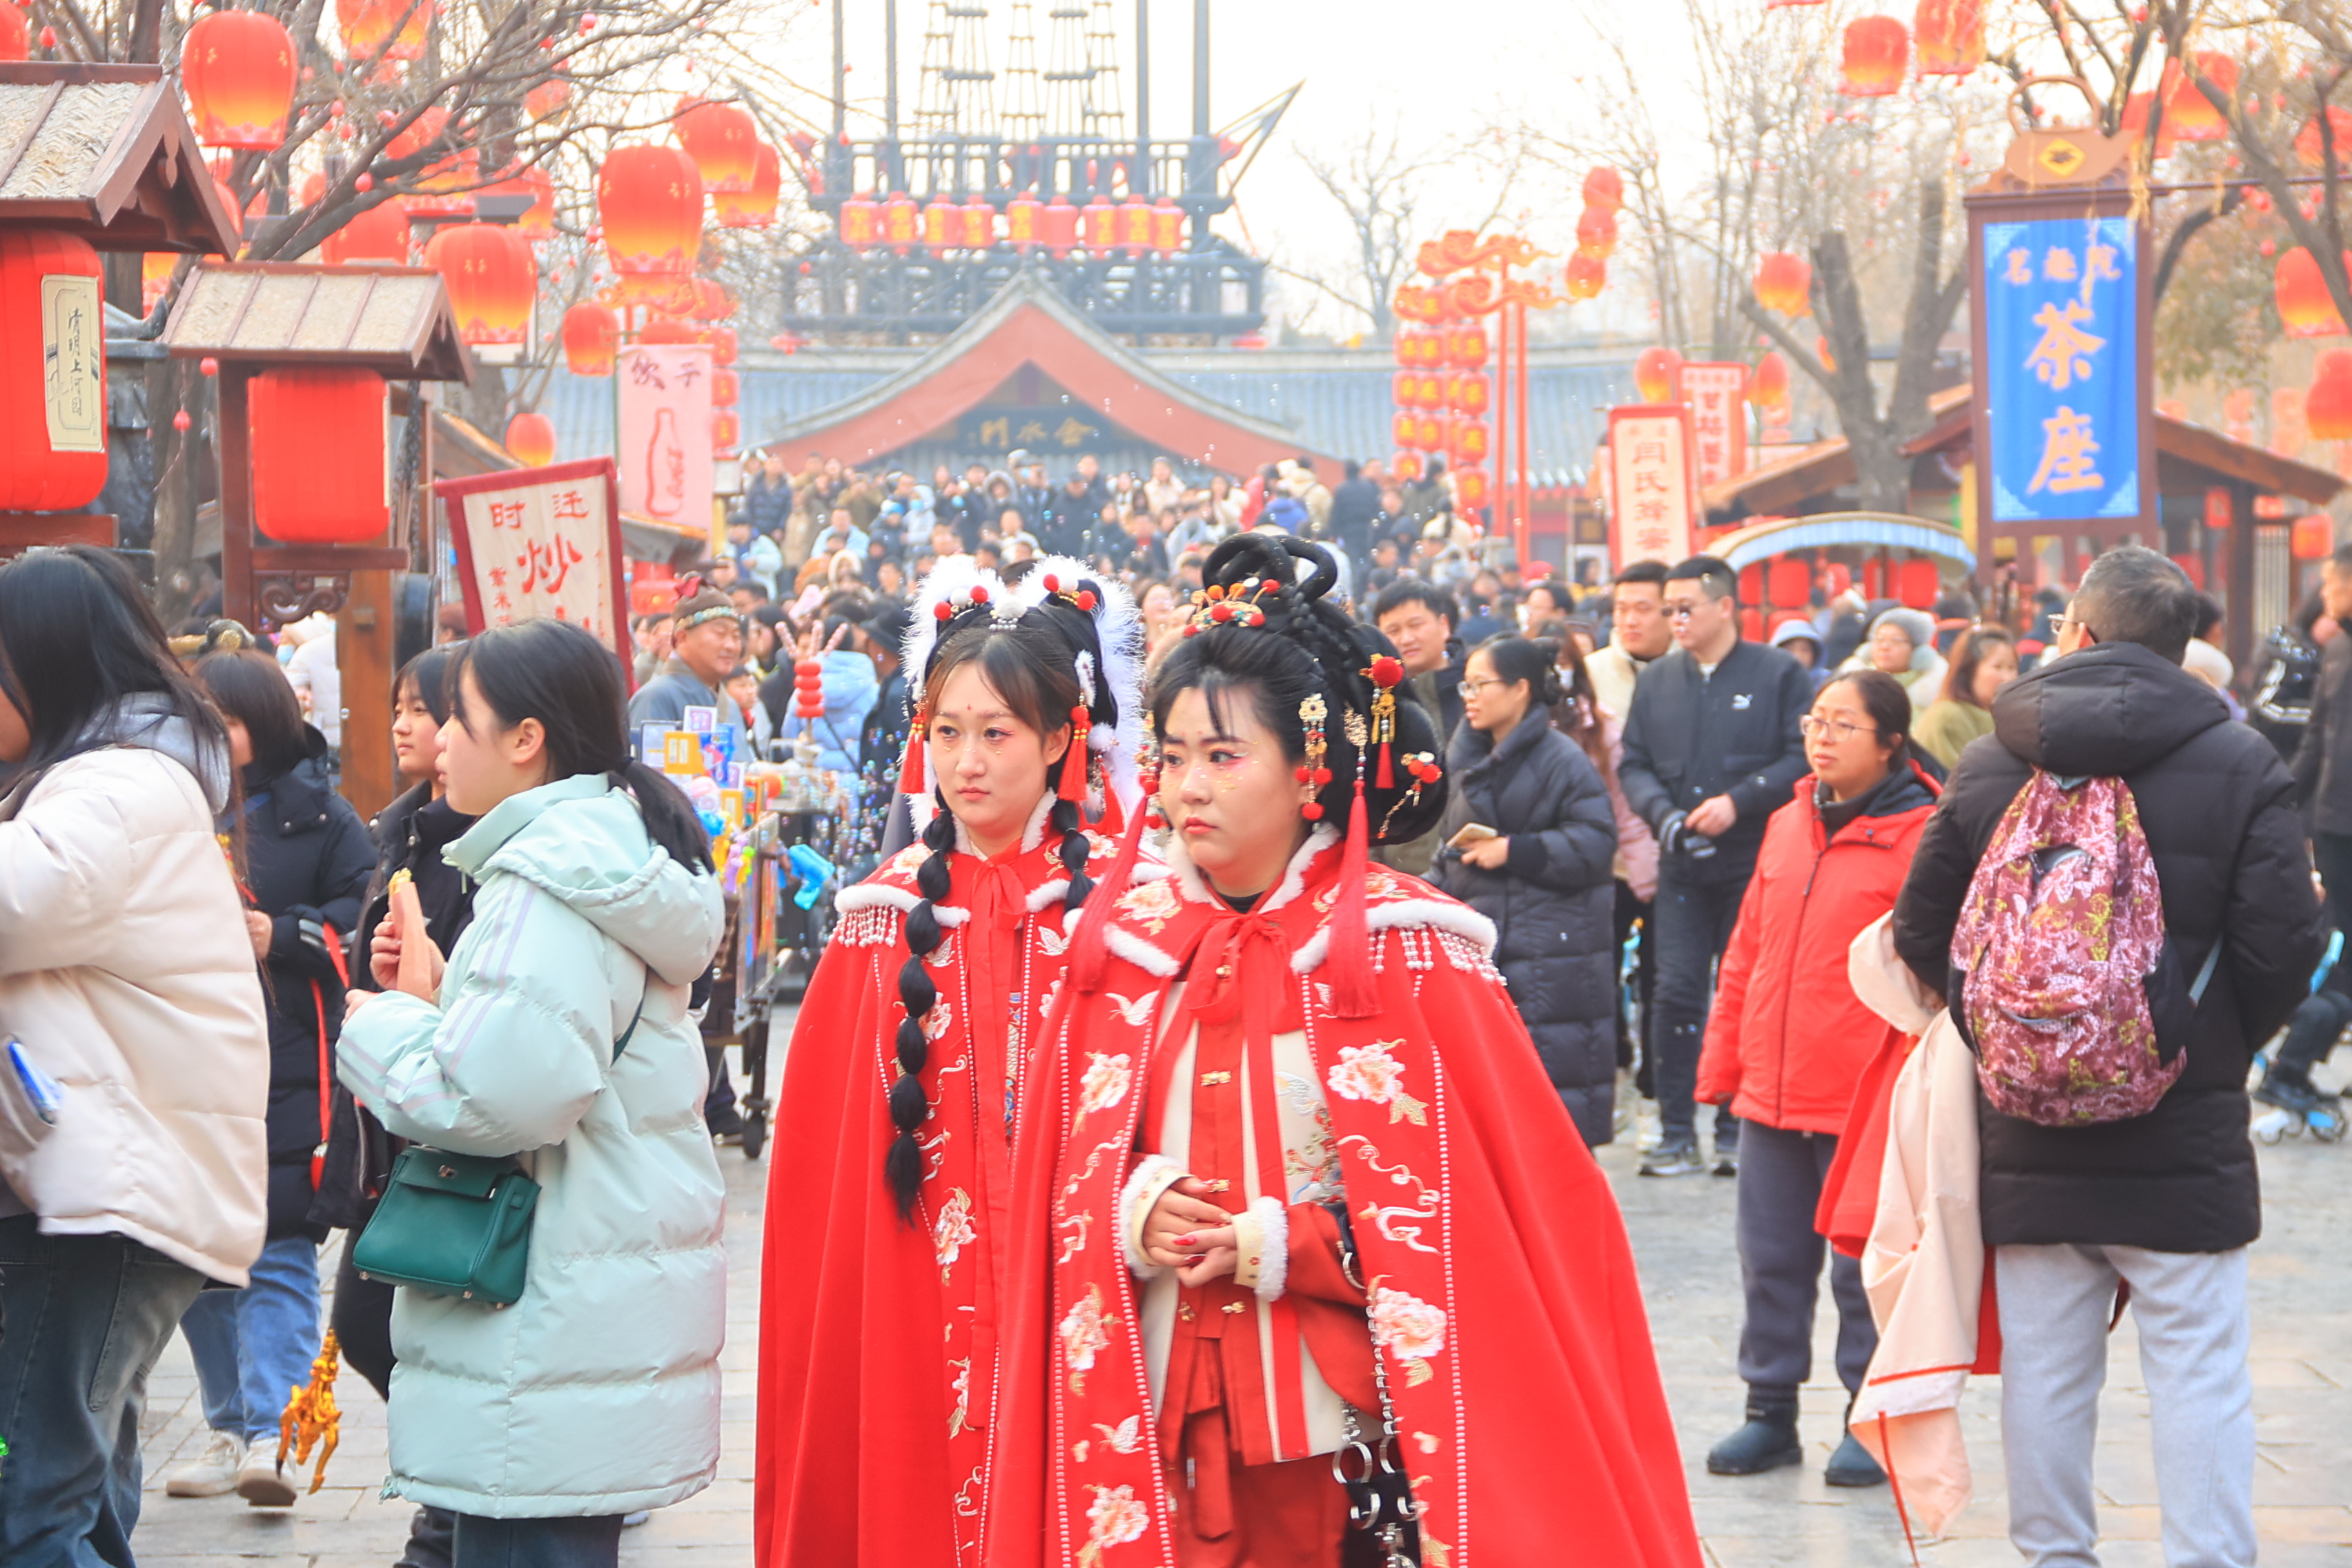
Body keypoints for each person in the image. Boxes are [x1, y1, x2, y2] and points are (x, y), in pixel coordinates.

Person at [986, 534, 1702, 1568]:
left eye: (1225, 757)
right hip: (1155, 1429)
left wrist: (1294, 1243)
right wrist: (1132, 1202)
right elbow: (1057, 1162)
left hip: (1347, 1439)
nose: (1190, 787)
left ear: (1308, 766)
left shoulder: (1415, 953)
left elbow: (1497, 1212)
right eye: (1174, 756)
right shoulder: (1121, 947)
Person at [1892, 547, 2323, 1568]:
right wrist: (2200, 1041)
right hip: (2186, 1123)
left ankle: (2056, 1558)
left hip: (2028, 1124)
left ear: (2077, 632)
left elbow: (1921, 931)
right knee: (2200, 1368)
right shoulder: (2241, 760)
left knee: (2046, 1370)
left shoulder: (1996, 758)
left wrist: (2014, 1033)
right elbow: (2285, 945)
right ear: (2186, 651)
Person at [754, 556, 1150, 1567]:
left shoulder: (1127, 909)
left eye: (997, 734)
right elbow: (823, 1187)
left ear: (1062, 737)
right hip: (918, 1288)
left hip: (1089, 1286)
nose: (966, 762)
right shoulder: (880, 919)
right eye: (946, 733)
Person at [339, 618, 729, 1567]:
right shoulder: (593, 859)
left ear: (526, 739)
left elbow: (499, 1102)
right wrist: (439, 1004)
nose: (438, 742)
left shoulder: (545, 885)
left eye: (456, 719)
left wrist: (379, 1024)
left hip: (543, 1320)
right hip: (575, 1309)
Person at [0, 546, 267, 1567]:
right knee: (75, 1495)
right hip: (99, 1192)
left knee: (28, 1507)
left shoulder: (118, 785)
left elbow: (18, 903)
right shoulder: (114, 776)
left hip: (107, 1201)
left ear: (43, 661)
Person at [1696, 670, 1938, 1488]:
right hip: (1772, 1085)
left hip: (1864, 1094)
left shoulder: (1923, 837)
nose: (1821, 736)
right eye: (1815, 720)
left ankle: (1866, 1418)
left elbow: (1932, 982)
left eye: (1844, 725)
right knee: (1770, 1257)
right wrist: (1725, 1062)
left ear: (1892, 742)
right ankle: (1769, 1413)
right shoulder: (1788, 821)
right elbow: (1748, 951)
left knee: (1860, 1266)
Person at [163, 651, 374, 1507]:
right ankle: (229, 1422)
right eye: (202, 715)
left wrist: (279, 936)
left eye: (231, 716)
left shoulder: (323, 816)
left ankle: (276, 1435)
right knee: (194, 1263)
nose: (215, 733)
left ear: (272, 719)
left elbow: (362, 921)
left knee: (279, 1250)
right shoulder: (171, 805)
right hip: (184, 1057)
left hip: (290, 1065)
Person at [313, 645, 476, 1568]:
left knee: (410, 1330)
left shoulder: (502, 849)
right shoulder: (400, 829)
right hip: (386, 1128)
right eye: (402, 708)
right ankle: (445, 1499)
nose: (409, 726)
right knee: (368, 1330)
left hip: (448, 1126)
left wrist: (419, 993)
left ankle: (445, 1512)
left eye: (432, 710)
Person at [1619, 556, 1813, 1178]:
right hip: (1681, 858)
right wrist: (1663, 816)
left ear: (1724, 606)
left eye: (1685, 608)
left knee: (1748, 988)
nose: (1674, 620)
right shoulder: (1656, 681)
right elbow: (1634, 766)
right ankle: (1677, 1132)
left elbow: (1799, 758)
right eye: (1666, 608)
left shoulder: (1779, 672)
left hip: (1753, 858)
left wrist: (1740, 801)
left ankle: (1736, 1127)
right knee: (1674, 991)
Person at [1433, 636, 1621, 1142]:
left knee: (1551, 1112)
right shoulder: (1469, 754)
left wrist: (1515, 850)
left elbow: (1597, 843)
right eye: (1465, 684)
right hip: (1491, 941)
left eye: (1480, 684)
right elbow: (1450, 847)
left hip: (1550, 950)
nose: (1468, 695)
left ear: (1520, 690)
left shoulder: (1561, 758)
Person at [2262, 544, 2352, 1122]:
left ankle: (2292, 1067)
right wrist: (2287, 808)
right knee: (2341, 944)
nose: (2324, 594)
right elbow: (2318, 735)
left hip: (2335, 818)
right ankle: (2289, 1068)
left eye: (2332, 582)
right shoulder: (2339, 647)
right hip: (2338, 823)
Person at [1368, 578, 1467, 876]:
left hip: (1470, 869)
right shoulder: (1377, 703)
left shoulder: (1477, 690)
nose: (1406, 638)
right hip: (1401, 872)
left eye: (1416, 625)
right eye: (1393, 631)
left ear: (1444, 625)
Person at [628, 585, 741, 728]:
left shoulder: (731, 705)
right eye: (720, 633)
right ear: (682, 637)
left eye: (736, 636)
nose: (730, 646)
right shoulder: (656, 697)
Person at [1911, 625, 2018, 771]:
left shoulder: (2011, 720)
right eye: (1997, 667)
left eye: (2012, 668)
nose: (2007, 677)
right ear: (1969, 670)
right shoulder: (1947, 717)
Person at [1859, 605, 1945, 712]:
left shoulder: (1934, 695)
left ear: (1918, 651)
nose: (1884, 647)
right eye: (1879, 640)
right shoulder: (1856, 685)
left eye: (1896, 641)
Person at [1768, 616, 1827, 689]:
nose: (1798, 656)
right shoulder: (1766, 682)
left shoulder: (1827, 683)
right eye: (1790, 649)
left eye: (1805, 650)